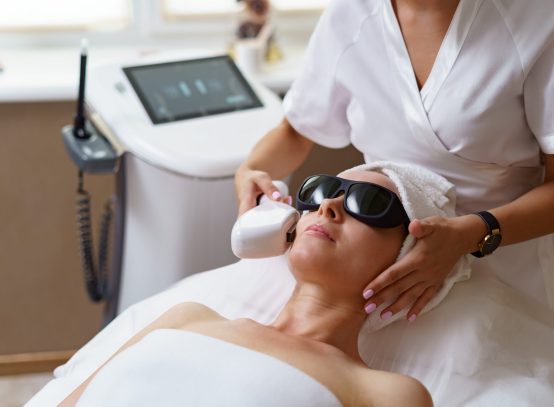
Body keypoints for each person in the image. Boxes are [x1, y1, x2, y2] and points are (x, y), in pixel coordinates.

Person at [234, 0, 554, 321]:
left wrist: (473, 233)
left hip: (500, 260)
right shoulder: (351, 13)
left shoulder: (537, 20)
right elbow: (296, 131)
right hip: (381, 273)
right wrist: (252, 170)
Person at [59, 169, 433, 406]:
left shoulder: (386, 395)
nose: (329, 206)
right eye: (320, 191)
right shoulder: (187, 316)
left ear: (409, 255)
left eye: (368, 203)